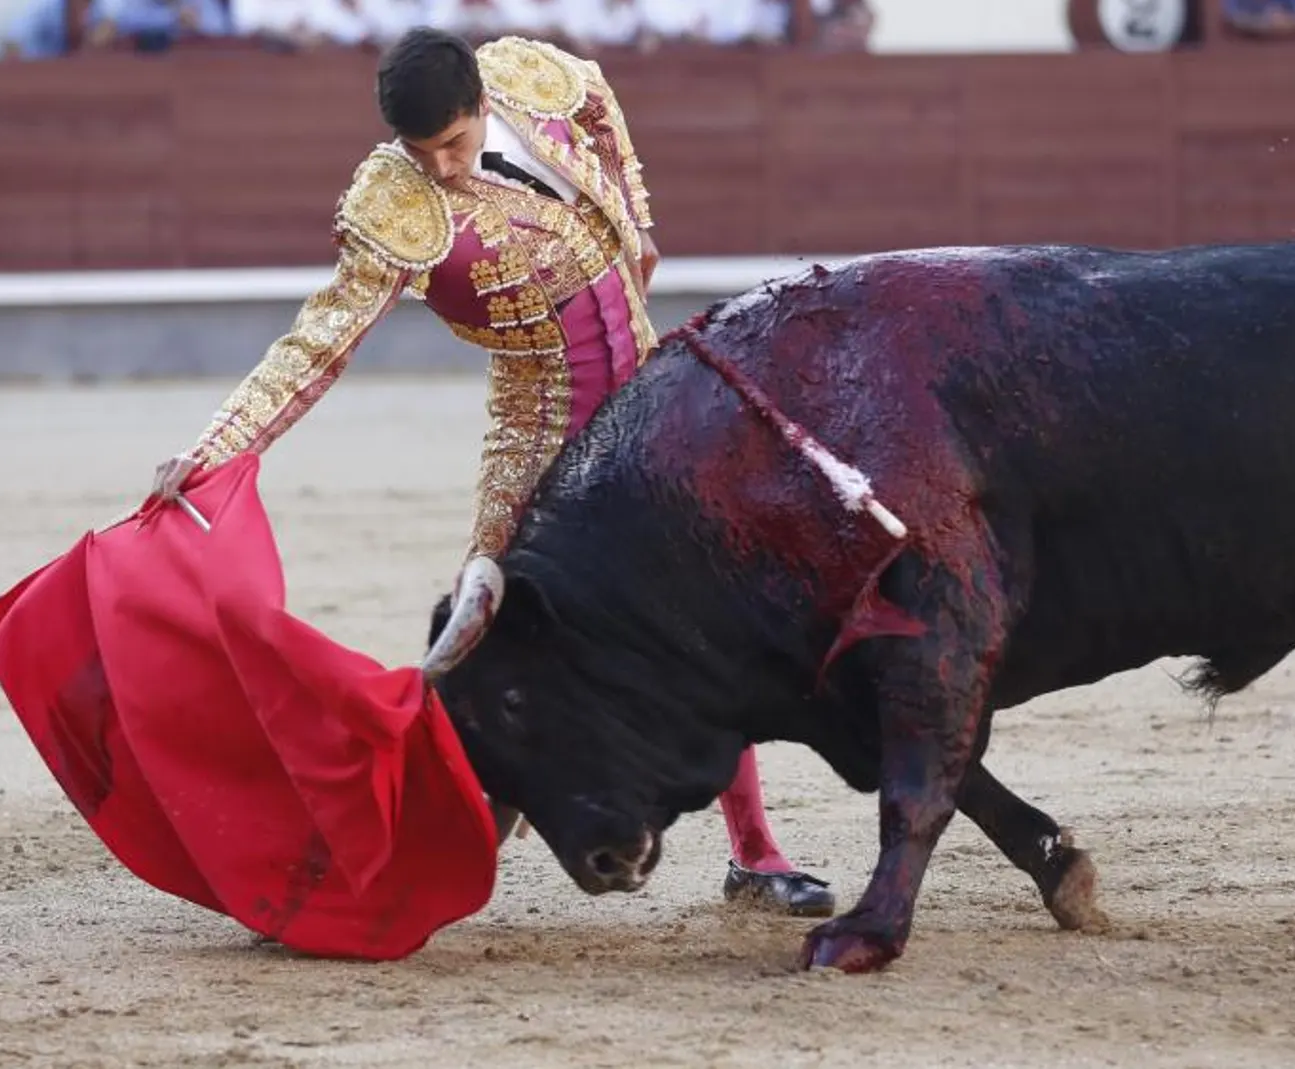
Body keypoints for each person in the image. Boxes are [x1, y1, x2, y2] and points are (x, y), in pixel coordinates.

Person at [147, 26, 834, 918]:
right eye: (418, 149)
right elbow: (318, 343)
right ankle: (416, 854)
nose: (437, 167)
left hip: (652, 399)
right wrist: (218, 447)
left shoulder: (523, 75)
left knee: (702, 614)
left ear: (481, 101)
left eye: (452, 142)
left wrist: (637, 216)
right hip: (544, 428)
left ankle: (756, 854)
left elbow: (594, 92)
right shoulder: (391, 207)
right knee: (488, 637)